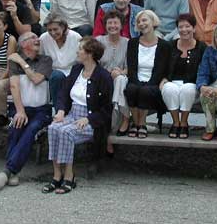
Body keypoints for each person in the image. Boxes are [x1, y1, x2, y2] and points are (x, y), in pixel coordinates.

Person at [43, 37, 113, 194]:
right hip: (72, 114)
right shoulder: (76, 70)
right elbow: (63, 94)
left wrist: (89, 119)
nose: (77, 51)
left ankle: (69, 176)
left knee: (66, 132)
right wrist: (60, 110)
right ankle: (56, 175)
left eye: (80, 49)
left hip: (91, 121)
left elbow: (107, 109)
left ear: (90, 53)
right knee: (54, 128)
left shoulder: (104, 76)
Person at [0, 32, 53, 191]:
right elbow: (14, 86)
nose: (38, 39)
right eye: (33, 37)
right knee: (15, 128)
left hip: (41, 110)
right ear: (23, 44)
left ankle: (7, 171)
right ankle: (13, 172)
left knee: (31, 130)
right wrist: (20, 111)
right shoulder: (14, 62)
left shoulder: (45, 60)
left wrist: (21, 62)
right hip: (21, 107)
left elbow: (37, 79)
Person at [125, 10, 171, 139]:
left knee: (145, 91)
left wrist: (149, 83)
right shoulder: (132, 43)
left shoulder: (164, 45)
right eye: (139, 21)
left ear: (153, 22)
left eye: (145, 20)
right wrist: (136, 81)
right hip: (136, 78)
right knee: (131, 89)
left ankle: (142, 123)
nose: (141, 23)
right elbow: (131, 67)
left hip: (154, 81)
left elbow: (162, 70)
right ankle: (135, 122)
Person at [160, 14, 206, 139]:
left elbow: (205, 69)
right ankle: (176, 122)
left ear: (194, 28)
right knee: (169, 89)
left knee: (187, 90)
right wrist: (163, 79)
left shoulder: (201, 47)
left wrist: (202, 84)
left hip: (192, 83)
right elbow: (162, 65)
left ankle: (184, 122)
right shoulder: (169, 46)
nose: (184, 30)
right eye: (181, 27)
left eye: (187, 26)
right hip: (172, 81)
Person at [95, 10, 129, 152]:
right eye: (109, 23)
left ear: (121, 25)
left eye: (116, 23)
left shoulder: (128, 43)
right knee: (114, 85)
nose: (113, 26)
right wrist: (107, 73)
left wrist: (120, 72)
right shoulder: (98, 41)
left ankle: (112, 133)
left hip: (121, 80)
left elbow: (131, 68)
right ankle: (124, 118)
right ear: (105, 25)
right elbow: (92, 65)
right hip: (102, 81)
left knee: (120, 80)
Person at [39, 13, 81, 110]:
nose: (53, 33)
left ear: (63, 27)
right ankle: (59, 111)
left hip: (72, 71)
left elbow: (81, 59)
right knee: (57, 76)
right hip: (53, 73)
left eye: (55, 29)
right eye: (50, 30)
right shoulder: (44, 38)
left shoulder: (75, 37)